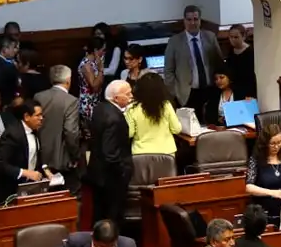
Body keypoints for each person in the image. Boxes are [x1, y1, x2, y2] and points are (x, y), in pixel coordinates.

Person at [163, 5, 223, 120]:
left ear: (200, 20)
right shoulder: (175, 41)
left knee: (210, 124)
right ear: (184, 21)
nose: (192, 23)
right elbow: (168, 71)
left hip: (209, 89)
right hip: (187, 93)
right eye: (189, 19)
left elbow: (219, 62)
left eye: (196, 19)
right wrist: (175, 92)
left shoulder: (210, 37)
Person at [87, 80, 134, 225]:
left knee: (100, 214)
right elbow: (110, 153)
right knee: (113, 217)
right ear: (116, 98)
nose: (131, 96)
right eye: (128, 94)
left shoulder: (100, 108)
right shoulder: (114, 118)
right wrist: (122, 171)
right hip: (111, 178)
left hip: (98, 173)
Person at [34, 65, 80, 196]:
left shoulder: (38, 97)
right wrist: (75, 156)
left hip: (39, 156)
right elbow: (71, 132)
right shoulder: (71, 101)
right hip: (62, 159)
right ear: (68, 80)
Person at [0, 101, 45, 205]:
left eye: (42, 115)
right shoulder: (12, 134)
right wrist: (25, 172)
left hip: (28, 188)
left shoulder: (35, 130)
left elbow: (35, 155)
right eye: (38, 115)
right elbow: (0, 164)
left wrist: (46, 169)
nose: (41, 118)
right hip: (9, 190)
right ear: (27, 117)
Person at [245, 123, 281, 227]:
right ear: (265, 143)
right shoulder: (256, 160)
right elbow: (249, 187)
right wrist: (272, 193)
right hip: (264, 212)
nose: (276, 147)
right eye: (272, 143)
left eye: (279, 142)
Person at [126, 72, 182, 156]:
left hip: (141, 153)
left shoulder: (132, 108)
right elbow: (176, 129)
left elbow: (129, 133)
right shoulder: (166, 105)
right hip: (166, 153)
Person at [77, 37, 106, 129]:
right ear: (96, 50)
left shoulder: (94, 63)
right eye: (103, 50)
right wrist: (101, 69)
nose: (104, 52)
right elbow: (94, 86)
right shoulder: (87, 65)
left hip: (95, 101)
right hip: (88, 105)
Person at [224, 24, 256, 98]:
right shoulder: (231, 50)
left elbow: (251, 77)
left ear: (243, 37)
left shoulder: (250, 52)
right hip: (234, 88)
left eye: (236, 37)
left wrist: (249, 94)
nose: (233, 40)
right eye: (231, 37)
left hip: (247, 90)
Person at [0, 35, 20, 104]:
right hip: (5, 102)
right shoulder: (9, 67)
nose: (16, 50)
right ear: (5, 49)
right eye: (13, 47)